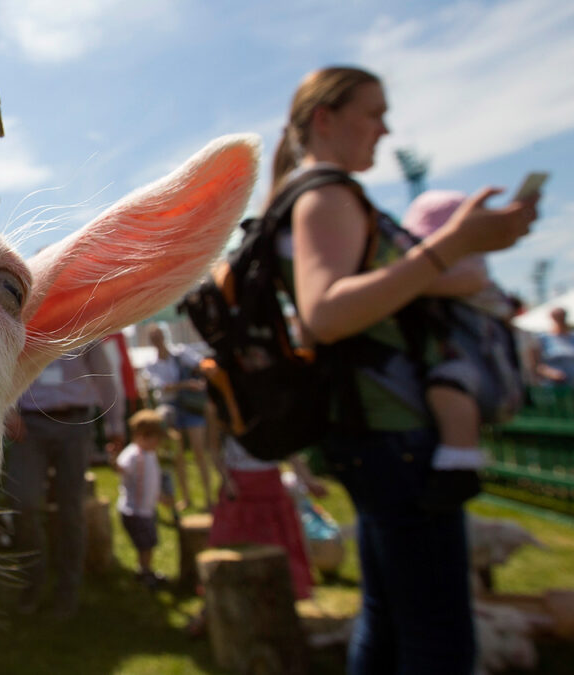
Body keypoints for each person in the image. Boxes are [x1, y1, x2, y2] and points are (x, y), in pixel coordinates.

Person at [278, 66, 536, 673]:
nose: (385, 129)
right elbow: (327, 311)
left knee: (390, 618)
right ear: (326, 119)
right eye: (373, 113)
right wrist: (449, 247)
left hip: (371, 431)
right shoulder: (327, 194)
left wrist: (463, 246)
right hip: (393, 433)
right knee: (440, 636)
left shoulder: (313, 193)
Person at [401, 190, 519, 504]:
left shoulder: (469, 271)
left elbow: (418, 284)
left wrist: (389, 279)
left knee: (448, 389)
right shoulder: (462, 268)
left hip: (474, 358)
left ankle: (460, 461)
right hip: (458, 352)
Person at [5, 339, 125, 617]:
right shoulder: (25, 320)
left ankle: (67, 591)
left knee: (71, 511)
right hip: (30, 427)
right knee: (23, 503)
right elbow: (2, 367)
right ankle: (32, 583)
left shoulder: (85, 324)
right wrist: (8, 411)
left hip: (75, 424)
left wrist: (115, 424)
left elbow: (105, 377)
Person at [207, 435, 322, 601]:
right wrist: (227, 479)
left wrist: (309, 481)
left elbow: (290, 450)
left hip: (270, 484)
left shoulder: (272, 413)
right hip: (239, 487)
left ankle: (281, 597)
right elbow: (214, 449)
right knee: (237, 545)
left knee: (277, 544)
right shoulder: (219, 412)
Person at [141, 324, 214, 511]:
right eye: (153, 337)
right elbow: (162, 387)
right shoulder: (151, 364)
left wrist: (202, 379)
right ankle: (186, 498)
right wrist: (185, 385)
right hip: (171, 408)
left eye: (158, 336)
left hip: (190, 406)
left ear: (164, 337)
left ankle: (209, 498)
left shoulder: (181, 353)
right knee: (177, 455)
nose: (157, 340)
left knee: (199, 451)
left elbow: (201, 364)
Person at [112, 409, 175, 590]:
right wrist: (114, 459)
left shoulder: (150, 454)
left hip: (146, 509)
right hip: (135, 511)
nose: (159, 442)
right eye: (156, 438)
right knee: (145, 544)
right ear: (142, 436)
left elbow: (151, 482)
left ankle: (146, 569)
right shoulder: (133, 454)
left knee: (149, 543)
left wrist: (160, 498)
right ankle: (145, 571)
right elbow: (120, 469)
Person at [535, 307, 574, 386]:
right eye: (557, 318)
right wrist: (551, 373)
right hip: (554, 386)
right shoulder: (543, 339)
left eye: (562, 317)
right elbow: (536, 365)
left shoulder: (572, 337)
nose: (560, 321)